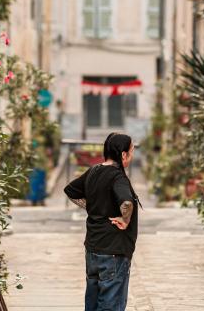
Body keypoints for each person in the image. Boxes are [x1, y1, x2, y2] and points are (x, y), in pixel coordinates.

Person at [64, 132, 140, 311]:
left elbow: (71, 191)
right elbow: (127, 203)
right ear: (123, 155)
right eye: (131, 151)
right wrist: (125, 219)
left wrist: (91, 206)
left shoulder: (94, 171)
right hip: (113, 251)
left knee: (92, 304)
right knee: (110, 306)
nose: (132, 155)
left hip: (93, 250)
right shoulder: (118, 177)